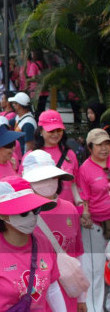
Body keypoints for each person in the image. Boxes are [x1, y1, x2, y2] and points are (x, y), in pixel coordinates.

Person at [0, 176, 66, 311]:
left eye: (35, 210)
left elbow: (52, 289)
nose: (32, 217)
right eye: (24, 213)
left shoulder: (44, 244)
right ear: (3, 215)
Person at [21, 150, 86, 311]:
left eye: (51, 177)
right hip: (36, 298)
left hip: (68, 292)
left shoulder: (69, 209)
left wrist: (82, 298)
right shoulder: (21, 214)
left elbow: (77, 255)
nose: (47, 183)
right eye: (41, 178)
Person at [77, 128, 110, 312]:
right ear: (90, 147)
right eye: (99, 145)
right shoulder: (85, 169)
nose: (104, 148)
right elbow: (83, 197)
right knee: (94, 270)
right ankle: (93, 308)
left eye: (107, 144)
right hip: (95, 225)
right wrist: (85, 213)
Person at [27, 110, 80, 205]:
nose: (55, 134)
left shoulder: (70, 154)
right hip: (41, 211)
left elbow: (74, 183)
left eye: (59, 130)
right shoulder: (31, 157)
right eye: (51, 130)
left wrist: (80, 206)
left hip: (67, 212)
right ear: (40, 130)